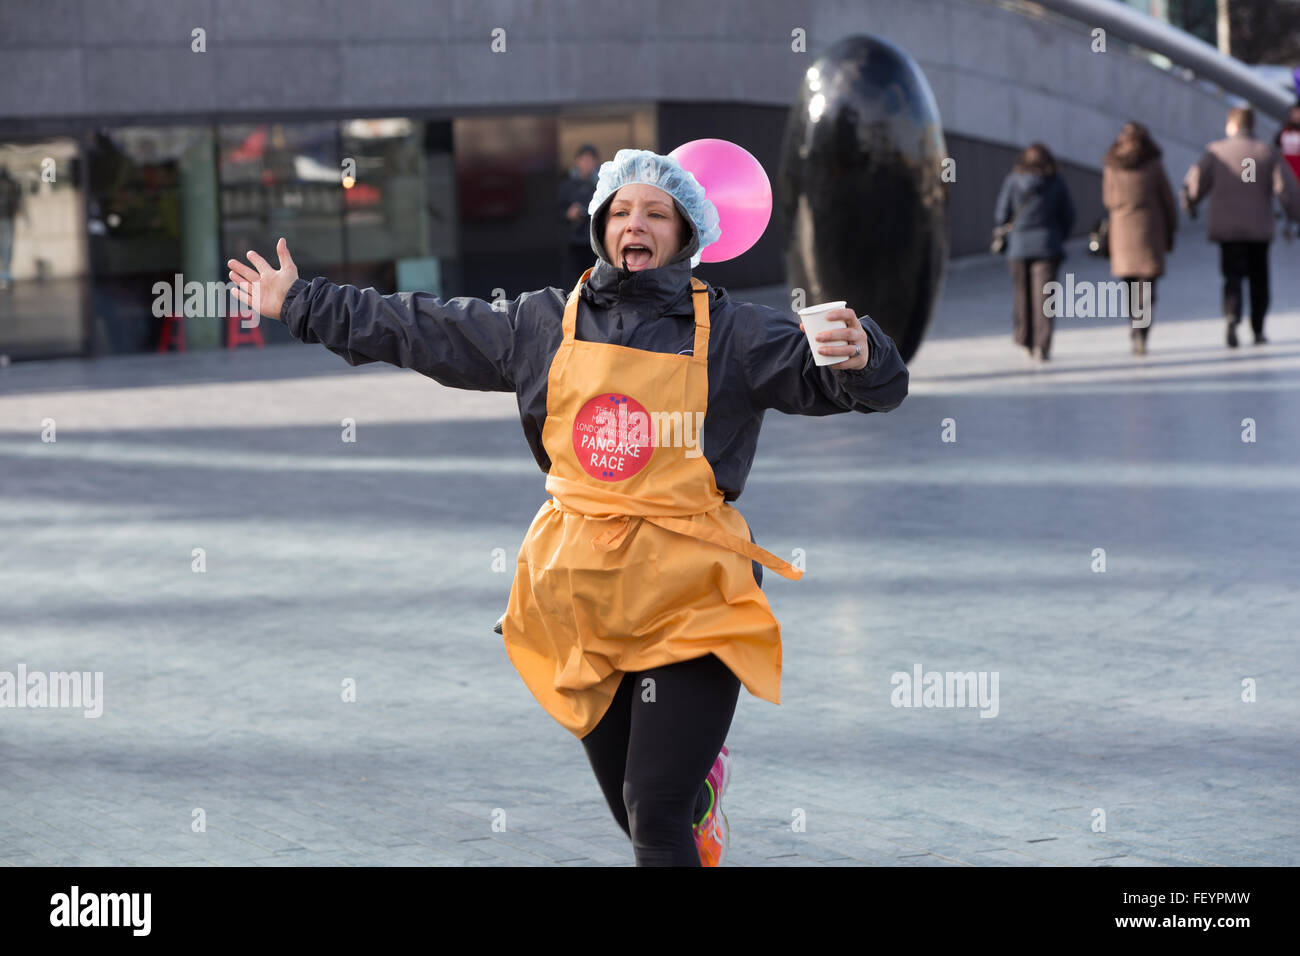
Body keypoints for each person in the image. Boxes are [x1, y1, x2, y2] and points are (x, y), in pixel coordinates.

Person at [227, 147, 909, 867]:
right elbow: (422, 327)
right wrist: (303, 304)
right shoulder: (543, 325)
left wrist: (865, 357)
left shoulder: (735, 335)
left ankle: (687, 797)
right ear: (599, 227)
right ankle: (702, 792)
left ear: (685, 233)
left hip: (693, 595)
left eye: (655, 212)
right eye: (621, 211)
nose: (635, 223)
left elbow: (856, 385)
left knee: (655, 814)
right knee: (631, 802)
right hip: (581, 595)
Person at [1182, 106, 1300, 347]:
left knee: (1232, 275)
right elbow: (1286, 190)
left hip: (1229, 228)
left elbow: (1195, 183)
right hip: (1259, 227)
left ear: (1231, 126)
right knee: (1260, 279)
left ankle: (1232, 317)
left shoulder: (1217, 152)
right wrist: (1295, 215)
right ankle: (1257, 328)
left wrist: (1190, 203)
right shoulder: (1267, 152)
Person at [994, 143, 1076, 361]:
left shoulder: (1013, 180)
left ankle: (1025, 341)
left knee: (1022, 296)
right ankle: (1043, 345)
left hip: (1018, 247)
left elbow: (1002, 213)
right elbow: (1068, 214)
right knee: (1045, 299)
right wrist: (1059, 236)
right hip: (1048, 246)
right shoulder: (1056, 182)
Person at [1102, 123, 1177, 356]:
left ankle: (1134, 327)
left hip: (1122, 234)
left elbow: (1109, 200)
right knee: (1147, 289)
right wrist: (1171, 231)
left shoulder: (1112, 166)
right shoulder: (1154, 166)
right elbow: (1168, 201)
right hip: (1149, 233)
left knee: (1129, 288)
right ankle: (1141, 331)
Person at [557, 144, 599, 282]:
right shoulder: (567, 186)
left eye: (590, 159)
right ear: (577, 161)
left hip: (596, 241)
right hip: (574, 242)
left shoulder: (602, 184)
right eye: (583, 159)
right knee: (575, 282)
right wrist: (569, 214)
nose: (586, 163)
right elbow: (558, 212)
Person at [1274, 104, 1300, 240]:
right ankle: (1288, 225)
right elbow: (1275, 148)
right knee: (1285, 199)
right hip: (1285, 171)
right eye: (1294, 113)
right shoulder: (1284, 130)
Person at [0, 166, 25, 291]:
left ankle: (4, 277)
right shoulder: (11, 184)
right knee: (7, 248)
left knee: (4, 248)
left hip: (6, 218)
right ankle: (5, 277)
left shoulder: (10, 184)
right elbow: (18, 201)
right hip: (8, 219)